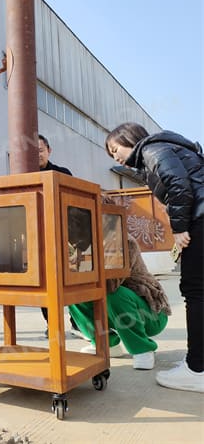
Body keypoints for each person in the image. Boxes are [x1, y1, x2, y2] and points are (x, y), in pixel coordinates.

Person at [106, 122, 203, 392]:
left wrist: (180, 227)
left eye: (115, 149)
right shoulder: (167, 147)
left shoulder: (152, 148)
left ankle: (198, 368)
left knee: (195, 292)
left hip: (199, 221)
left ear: (130, 140)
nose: (115, 157)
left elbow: (179, 185)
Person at [70, 234, 171, 369]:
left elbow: (111, 283)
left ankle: (142, 349)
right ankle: (107, 344)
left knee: (114, 294)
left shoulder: (124, 241)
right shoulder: (84, 243)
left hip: (152, 313)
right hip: (119, 311)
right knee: (75, 295)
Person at [37, 135, 83, 338]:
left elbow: (75, 205)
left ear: (49, 150)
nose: (37, 154)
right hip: (39, 238)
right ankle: (52, 323)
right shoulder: (24, 173)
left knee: (72, 281)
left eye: (40, 149)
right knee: (44, 283)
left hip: (65, 237)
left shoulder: (62, 173)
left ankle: (78, 322)